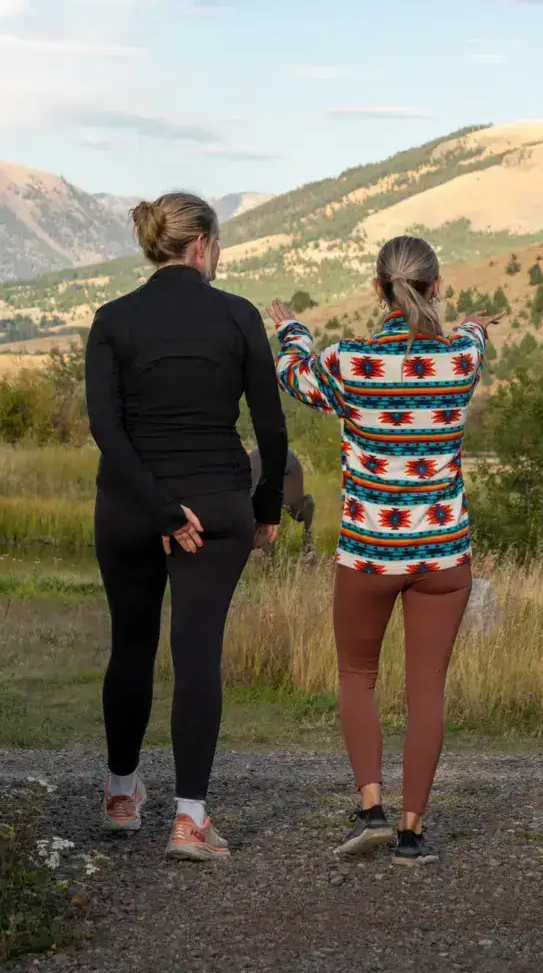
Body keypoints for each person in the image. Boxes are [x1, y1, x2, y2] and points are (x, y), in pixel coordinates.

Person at [267, 236, 502, 867]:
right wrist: (477, 323)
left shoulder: (348, 362)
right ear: (436, 288)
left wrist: (291, 329)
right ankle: (411, 832)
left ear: (378, 289)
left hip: (369, 550)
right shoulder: (459, 359)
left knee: (356, 677)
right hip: (443, 555)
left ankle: (370, 808)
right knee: (427, 686)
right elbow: (475, 337)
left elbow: (291, 376)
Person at [85, 192, 288, 862]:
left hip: (128, 508)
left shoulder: (113, 320)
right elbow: (271, 428)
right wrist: (265, 511)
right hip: (217, 503)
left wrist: (158, 507)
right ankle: (190, 821)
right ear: (202, 245)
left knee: (130, 645)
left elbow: (107, 430)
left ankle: (121, 794)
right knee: (196, 653)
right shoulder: (236, 316)